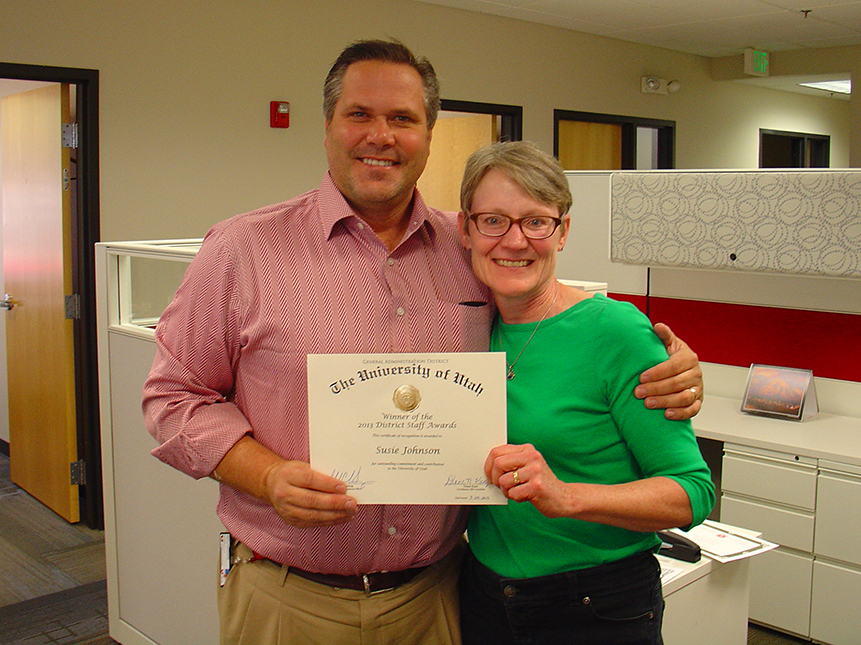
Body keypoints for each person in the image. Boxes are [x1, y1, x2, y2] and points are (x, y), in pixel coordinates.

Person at [142, 40, 705, 645]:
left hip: (438, 597)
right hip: (289, 597)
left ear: (428, 135)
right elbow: (172, 400)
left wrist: (673, 364)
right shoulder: (241, 251)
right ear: (328, 125)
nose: (380, 135)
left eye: (403, 119)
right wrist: (268, 476)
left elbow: (554, 320)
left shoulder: (471, 254)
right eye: (359, 114)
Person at [455, 140, 715, 645]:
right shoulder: (467, 326)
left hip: (594, 606)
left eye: (536, 221)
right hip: (482, 594)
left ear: (563, 231)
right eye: (493, 221)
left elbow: (692, 491)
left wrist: (569, 497)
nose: (514, 240)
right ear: (466, 229)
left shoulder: (615, 331)